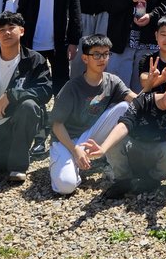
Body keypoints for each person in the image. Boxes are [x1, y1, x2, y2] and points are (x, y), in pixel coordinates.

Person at [0, 12, 52, 184]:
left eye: (11, 28)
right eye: (1, 30)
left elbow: (45, 91)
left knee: (29, 106)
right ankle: (5, 154)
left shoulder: (34, 60)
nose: (6, 32)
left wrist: (13, 95)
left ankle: (18, 166)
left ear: (21, 31)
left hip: (17, 121)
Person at [49, 34, 135, 196]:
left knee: (125, 107)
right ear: (85, 58)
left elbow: (137, 101)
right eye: (96, 54)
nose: (102, 59)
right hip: (66, 139)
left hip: (91, 135)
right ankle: (63, 161)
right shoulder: (72, 87)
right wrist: (75, 150)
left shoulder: (113, 81)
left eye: (106, 54)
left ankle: (109, 160)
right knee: (66, 187)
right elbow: (57, 125)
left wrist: (152, 85)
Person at [88, 75, 166, 199]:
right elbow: (125, 124)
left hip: (155, 155)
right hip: (133, 150)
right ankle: (124, 180)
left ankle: (151, 180)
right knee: (114, 139)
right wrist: (103, 148)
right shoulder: (144, 100)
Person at [17, 0, 82, 117]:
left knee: (61, 81)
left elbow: (75, 10)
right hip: (33, 39)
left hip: (58, 41)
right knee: (32, 80)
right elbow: (21, 10)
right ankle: (36, 116)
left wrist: (73, 40)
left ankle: (60, 118)